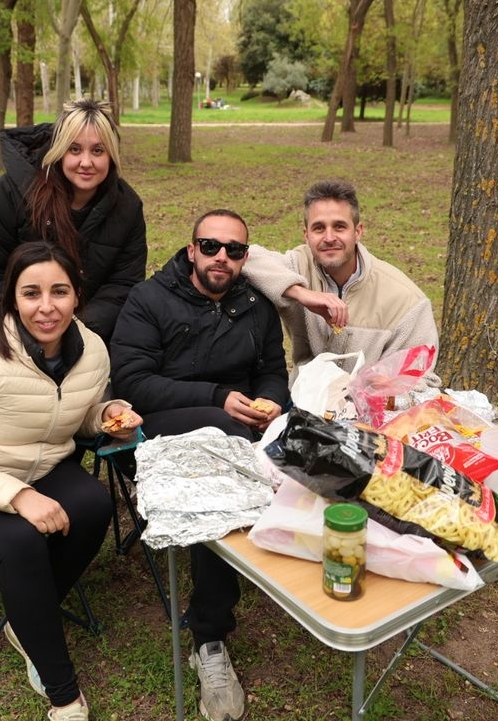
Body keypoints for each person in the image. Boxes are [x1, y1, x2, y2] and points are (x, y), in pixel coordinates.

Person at [0, 241, 143, 721]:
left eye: (59, 291)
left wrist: (108, 414)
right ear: (12, 298)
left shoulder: (91, 350)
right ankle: (64, 695)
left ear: (77, 296)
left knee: (94, 505)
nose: (47, 307)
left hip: (41, 468)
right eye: (31, 293)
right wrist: (18, 496)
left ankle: (26, 619)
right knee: (22, 542)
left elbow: (78, 416)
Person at [109, 209, 289, 721]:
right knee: (223, 445)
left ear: (244, 258)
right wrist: (217, 398)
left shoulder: (255, 305)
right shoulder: (149, 299)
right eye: (210, 246)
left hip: (243, 426)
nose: (221, 257)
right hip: (160, 428)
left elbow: (273, 372)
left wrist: (272, 401)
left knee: (308, 437)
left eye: (234, 250)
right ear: (191, 250)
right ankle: (209, 637)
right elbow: (133, 382)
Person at [0, 99, 147, 344]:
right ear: (59, 151)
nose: (86, 162)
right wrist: (18, 326)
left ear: (111, 155)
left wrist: (77, 331)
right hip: (16, 328)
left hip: (90, 334)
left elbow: (124, 283)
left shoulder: (127, 206)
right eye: (75, 149)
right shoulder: (11, 192)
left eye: (98, 151)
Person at [242, 179, 442, 389]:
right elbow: (245, 258)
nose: (329, 238)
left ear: (358, 232)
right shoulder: (298, 266)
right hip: (304, 402)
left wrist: (388, 387)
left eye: (339, 227)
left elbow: (424, 380)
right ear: (306, 235)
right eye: (319, 228)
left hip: (371, 407)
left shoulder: (406, 299)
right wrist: (301, 293)